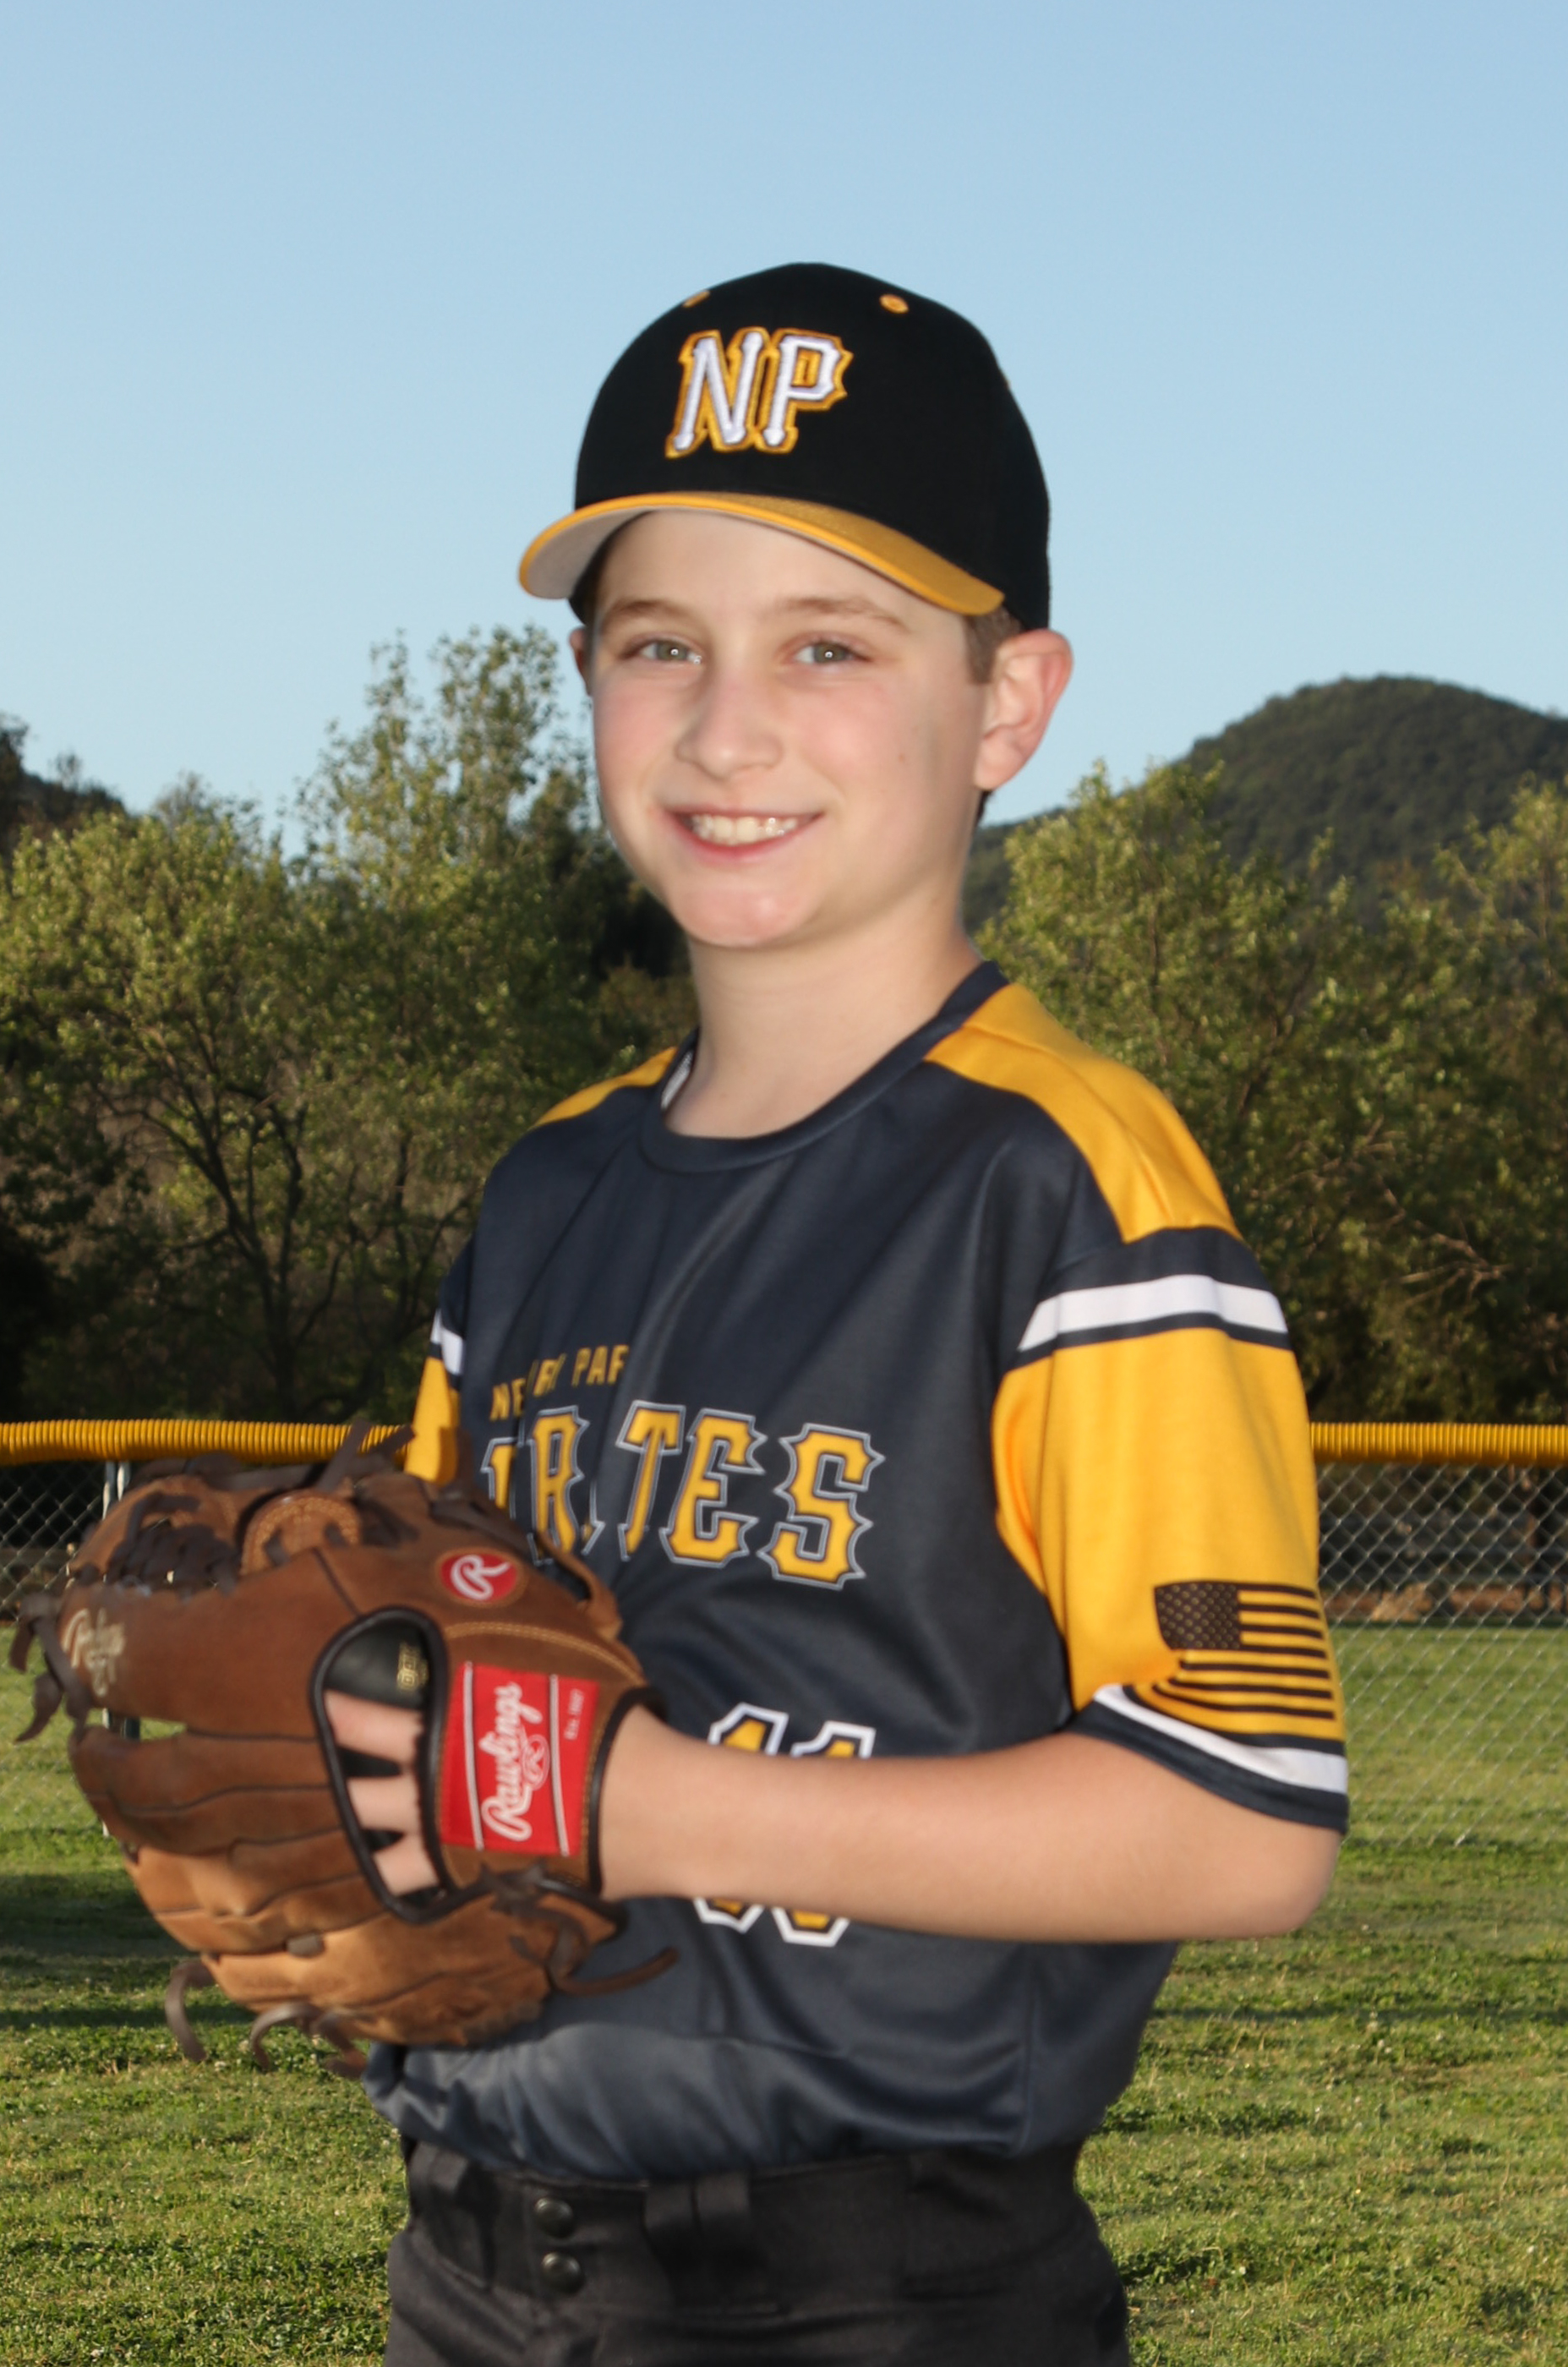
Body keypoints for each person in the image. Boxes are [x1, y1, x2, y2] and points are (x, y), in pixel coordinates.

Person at [336, 261, 1347, 2365]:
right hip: (477, 2266)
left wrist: (647, 1809)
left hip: (870, 2290)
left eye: (828, 643)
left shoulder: (1067, 1186)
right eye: (657, 644)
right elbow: (440, 1664)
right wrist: (353, 1770)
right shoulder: (543, 1192)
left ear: (1008, 702)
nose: (725, 728)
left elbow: (1241, 1812)